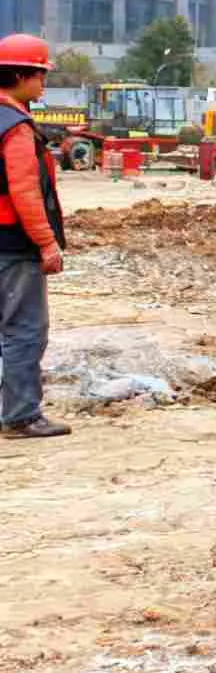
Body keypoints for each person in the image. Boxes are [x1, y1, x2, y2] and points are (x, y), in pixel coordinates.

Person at [0, 35, 68, 440]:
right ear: (21, 75)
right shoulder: (15, 127)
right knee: (24, 329)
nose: (43, 84)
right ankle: (22, 416)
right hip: (12, 244)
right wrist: (46, 242)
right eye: (40, 75)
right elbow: (24, 192)